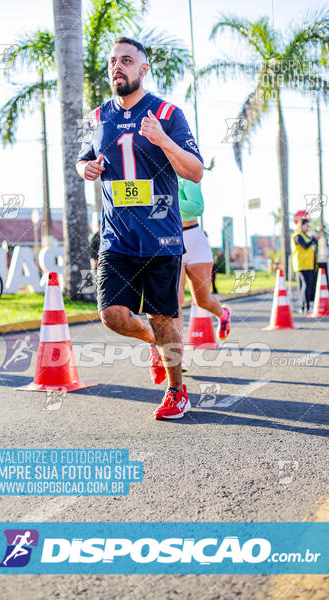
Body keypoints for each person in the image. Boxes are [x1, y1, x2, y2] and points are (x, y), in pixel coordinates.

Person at [76, 37, 203, 420]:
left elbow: (195, 170)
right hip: (117, 237)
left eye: (127, 60)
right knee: (112, 315)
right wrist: (88, 169)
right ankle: (156, 345)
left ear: (143, 69)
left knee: (162, 318)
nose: (118, 66)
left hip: (161, 238)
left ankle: (177, 390)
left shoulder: (167, 112)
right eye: (113, 60)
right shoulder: (98, 117)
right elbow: (83, 162)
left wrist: (162, 139)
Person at [175, 178, 230, 347]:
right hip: (170, 241)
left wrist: (168, 200)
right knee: (174, 301)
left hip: (194, 240)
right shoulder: (153, 176)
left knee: (202, 300)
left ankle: (223, 314)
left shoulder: (185, 175)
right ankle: (176, 354)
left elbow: (197, 207)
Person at [291, 218, 322, 313]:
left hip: (309, 265)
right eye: (307, 226)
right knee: (305, 286)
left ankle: (306, 306)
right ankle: (305, 306)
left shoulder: (305, 236)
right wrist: (313, 239)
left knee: (308, 286)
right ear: (301, 225)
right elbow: (305, 246)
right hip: (302, 265)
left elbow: (312, 245)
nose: (308, 228)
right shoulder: (297, 236)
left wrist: (315, 239)